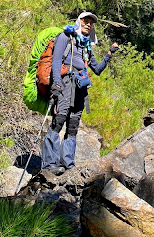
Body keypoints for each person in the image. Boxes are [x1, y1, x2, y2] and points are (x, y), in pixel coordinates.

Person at [41, 11, 118, 175]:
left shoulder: (87, 47)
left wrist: (109, 54)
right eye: (86, 20)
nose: (89, 24)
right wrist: (56, 83)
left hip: (80, 90)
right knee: (58, 121)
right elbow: (56, 61)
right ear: (79, 21)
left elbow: (96, 70)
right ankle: (49, 165)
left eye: (91, 22)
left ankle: (68, 164)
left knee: (73, 126)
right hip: (65, 83)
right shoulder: (65, 37)